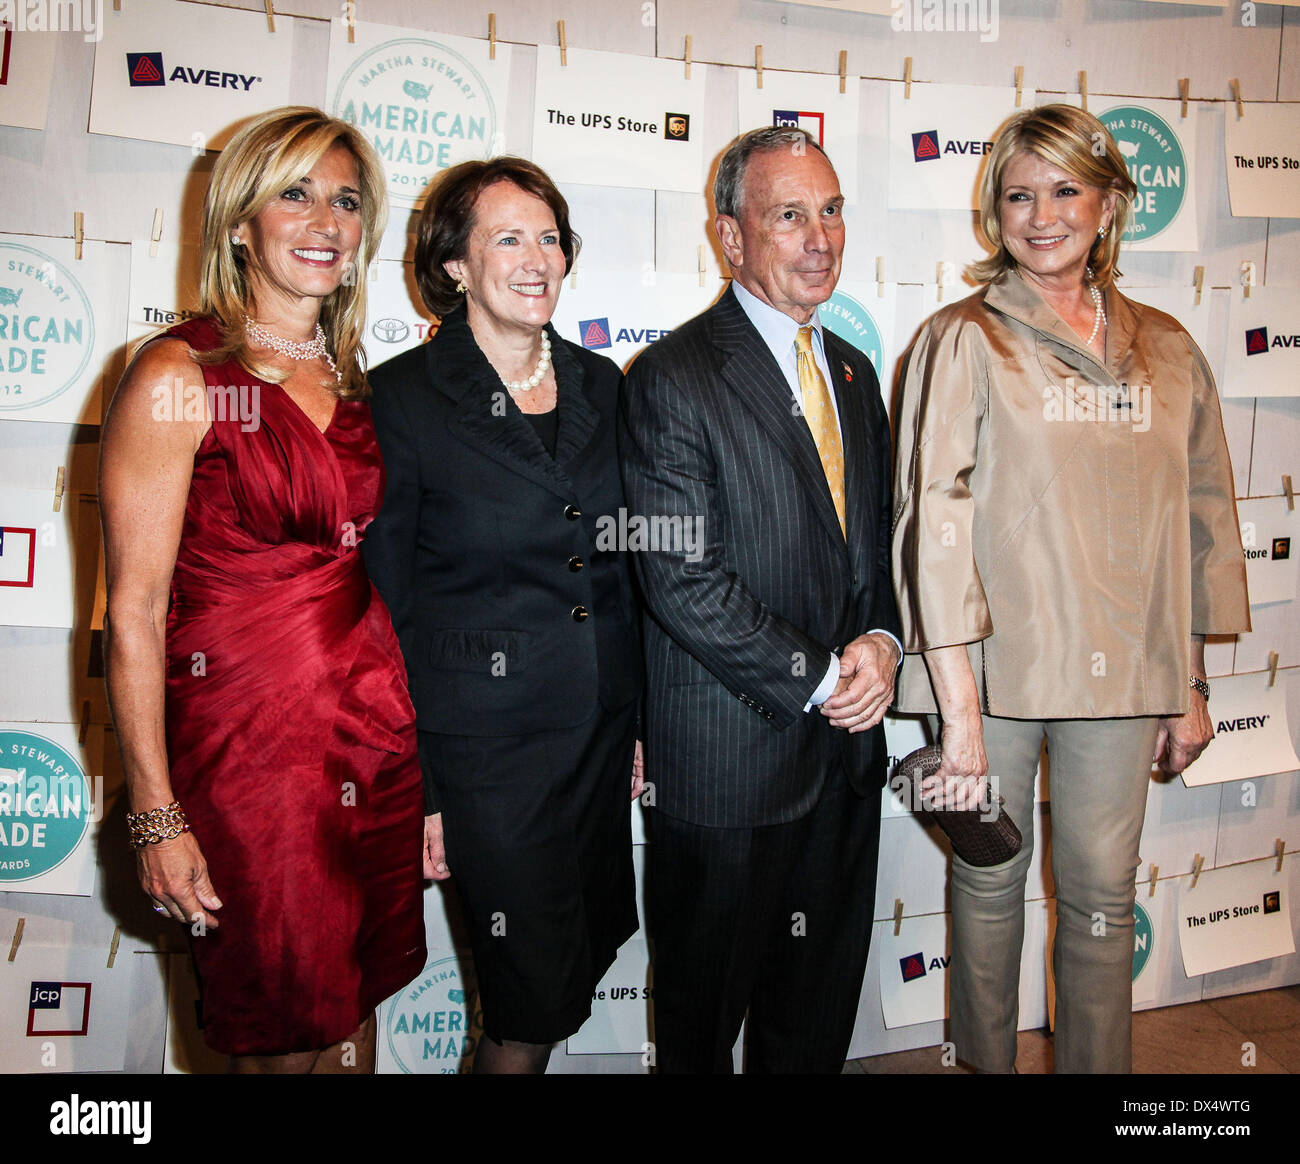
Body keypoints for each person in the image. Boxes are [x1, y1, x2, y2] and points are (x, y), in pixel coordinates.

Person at [891, 103, 1250, 1074]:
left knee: (1100, 902)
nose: (1040, 214)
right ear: (993, 208)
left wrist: (1193, 681)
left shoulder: (1169, 348)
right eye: (1017, 194)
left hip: (1125, 678)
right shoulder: (960, 338)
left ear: (1107, 202)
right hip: (993, 678)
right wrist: (957, 718)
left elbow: (1201, 515)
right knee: (988, 892)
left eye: (1063, 190)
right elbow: (933, 523)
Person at [99, 106, 426, 1073]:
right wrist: (157, 815)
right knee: (278, 1024)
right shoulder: (180, 371)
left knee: (354, 1011)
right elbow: (132, 616)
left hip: (370, 727)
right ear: (241, 222)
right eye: (295, 193)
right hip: (249, 758)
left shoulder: (359, 379)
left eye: (347, 200)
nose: (325, 220)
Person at [619, 127, 902, 1073]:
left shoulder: (856, 375)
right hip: (729, 773)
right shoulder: (670, 377)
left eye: (830, 211)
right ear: (731, 239)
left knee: (811, 1026)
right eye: (789, 215)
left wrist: (881, 642)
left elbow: (875, 551)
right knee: (700, 1036)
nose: (819, 237)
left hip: (845, 762)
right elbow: (680, 580)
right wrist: (823, 677)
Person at [362, 157, 644, 1075]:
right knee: (527, 997)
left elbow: (622, 568)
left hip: (597, 735)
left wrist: (636, 718)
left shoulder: (607, 387)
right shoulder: (402, 400)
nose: (538, 259)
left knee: (572, 966)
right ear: (454, 264)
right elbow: (385, 607)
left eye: (550, 237)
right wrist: (426, 789)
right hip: (482, 755)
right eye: (508, 238)